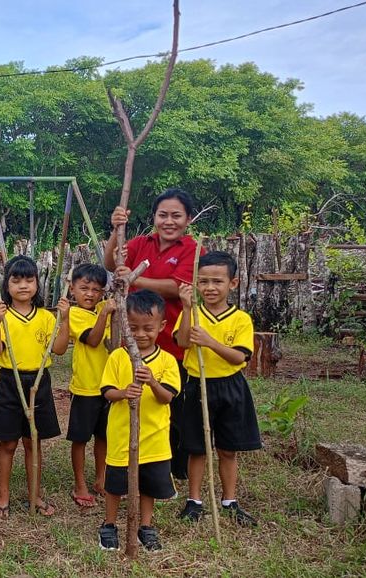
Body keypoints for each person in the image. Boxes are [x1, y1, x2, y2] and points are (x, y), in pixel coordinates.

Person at [104, 188, 201, 480]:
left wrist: (134, 278)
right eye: (163, 215)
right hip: (133, 339)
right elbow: (111, 264)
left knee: (170, 405)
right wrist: (115, 230)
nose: (168, 221)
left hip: (172, 340)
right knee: (135, 400)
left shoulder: (193, 250)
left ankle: (171, 466)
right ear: (154, 217)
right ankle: (137, 459)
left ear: (188, 219)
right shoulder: (139, 243)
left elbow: (177, 286)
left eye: (176, 215)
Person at [174, 251, 261, 527]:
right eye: (203, 282)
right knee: (197, 447)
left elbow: (239, 358)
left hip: (230, 387)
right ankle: (194, 501)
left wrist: (211, 342)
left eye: (217, 281)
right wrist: (187, 308)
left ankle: (229, 500)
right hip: (196, 385)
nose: (210, 288)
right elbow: (184, 343)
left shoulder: (241, 319)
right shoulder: (193, 314)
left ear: (232, 284)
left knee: (228, 448)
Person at [0, 256, 71, 518]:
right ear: (7, 285)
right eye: (16, 280)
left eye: (29, 279)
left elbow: (57, 349)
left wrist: (64, 319)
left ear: (37, 284)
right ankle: (3, 496)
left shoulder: (46, 317)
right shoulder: (1, 316)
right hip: (9, 381)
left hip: (38, 381)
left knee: (33, 441)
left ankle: (35, 495)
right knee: (8, 443)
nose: (23, 285)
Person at [98, 290, 180, 552]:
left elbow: (167, 397)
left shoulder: (167, 361)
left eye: (148, 328)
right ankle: (109, 524)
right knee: (115, 485)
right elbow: (107, 391)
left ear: (162, 327)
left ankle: (145, 526)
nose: (141, 334)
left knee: (149, 486)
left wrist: (152, 381)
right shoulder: (118, 357)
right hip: (122, 436)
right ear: (125, 326)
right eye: (133, 328)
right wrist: (124, 394)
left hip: (155, 439)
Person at [66, 264, 116, 508]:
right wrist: (105, 314)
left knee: (104, 437)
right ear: (72, 288)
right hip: (86, 387)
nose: (89, 294)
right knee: (80, 439)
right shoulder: (75, 315)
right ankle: (79, 484)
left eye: (96, 290)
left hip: (110, 387)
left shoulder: (103, 308)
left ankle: (101, 479)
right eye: (84, 288)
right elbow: (94, 340)